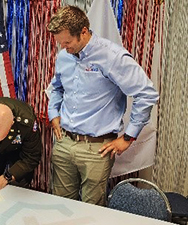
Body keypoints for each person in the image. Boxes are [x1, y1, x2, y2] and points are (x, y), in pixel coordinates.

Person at [47, 5, 159, 206]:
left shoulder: (112, 56)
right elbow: (56, 87)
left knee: (91, 212)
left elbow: (146, 93)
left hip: (96, 149)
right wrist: (53, 113)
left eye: (67, 42)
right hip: (63, 142)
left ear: (83, 31)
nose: (63, 48)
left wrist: (128, 137)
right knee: (61, 207)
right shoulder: (64, 55)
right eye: (60, 43)